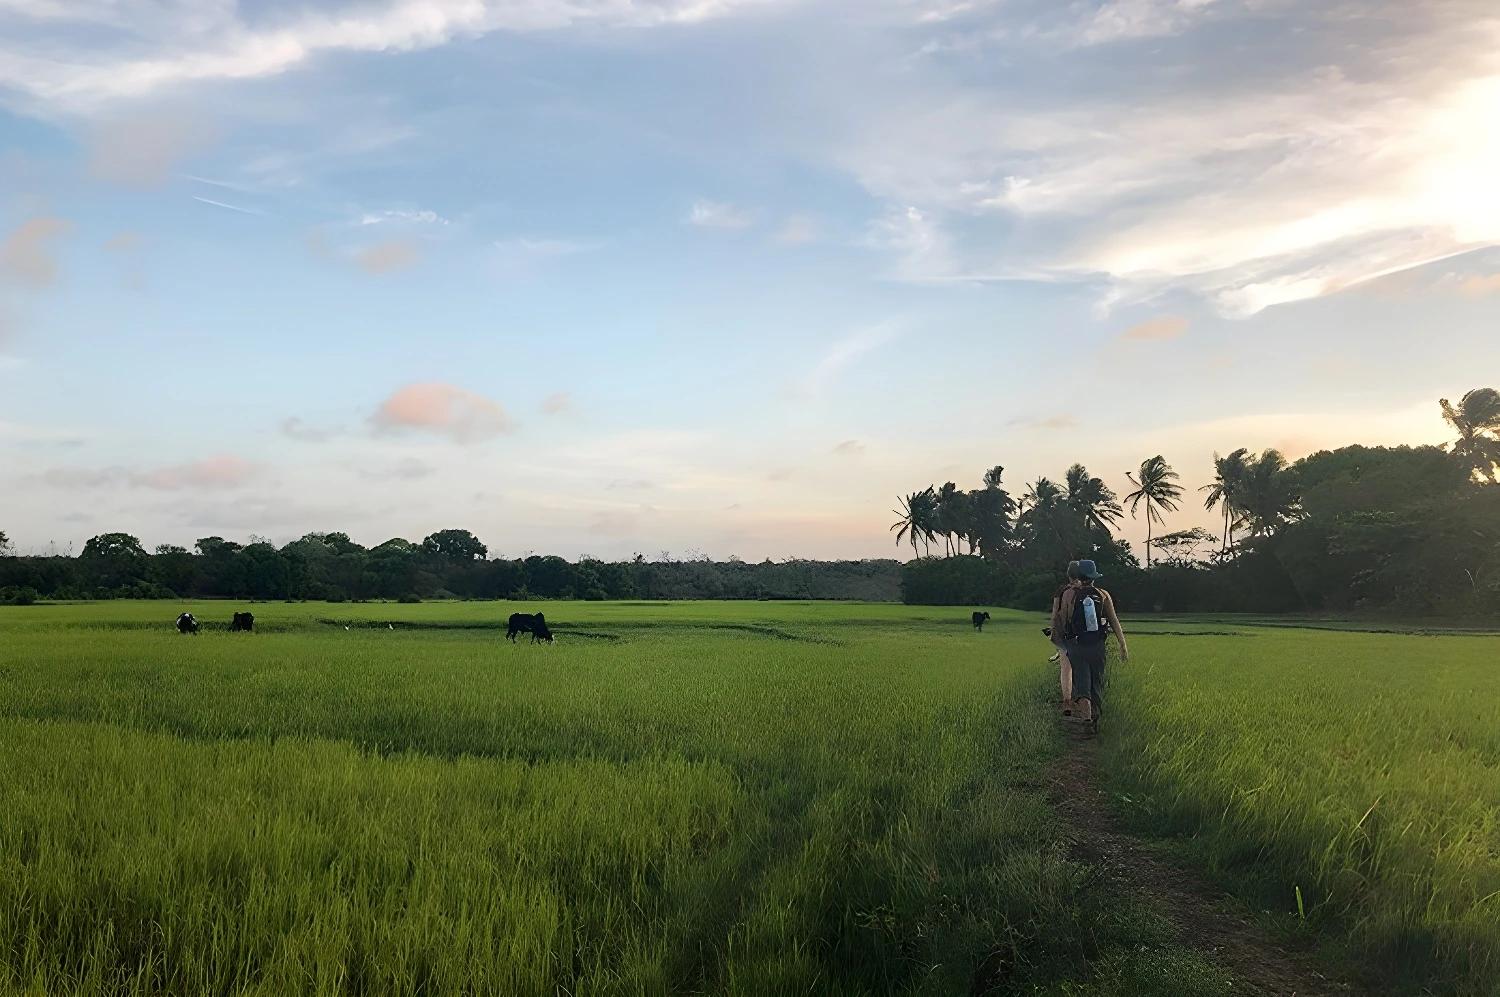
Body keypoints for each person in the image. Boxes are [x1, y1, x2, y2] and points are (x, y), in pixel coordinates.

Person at [1052, 559, 1128, 727]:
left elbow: (1061, 620)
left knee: (1082, 680)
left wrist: (1061, 642)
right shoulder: (1103, 594)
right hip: (1097, 645)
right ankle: (1096, 718)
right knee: (1097, 681)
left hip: (1076, 645)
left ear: (1078, 575)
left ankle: (1086, 717)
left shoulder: (1068, 594)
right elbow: (1114, 620)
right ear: (1093, 577)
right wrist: (1123, 645)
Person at [1048, 561, 1081, 712]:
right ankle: (1084, 700)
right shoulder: (1086, 589)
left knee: (1065, 668)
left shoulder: (1060, 590)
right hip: (1082, 633)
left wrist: (1053, 631)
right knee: (1082, 667)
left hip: (1064, 632)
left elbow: (1055, 613)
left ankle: (1067, 701)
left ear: (1068, 575)